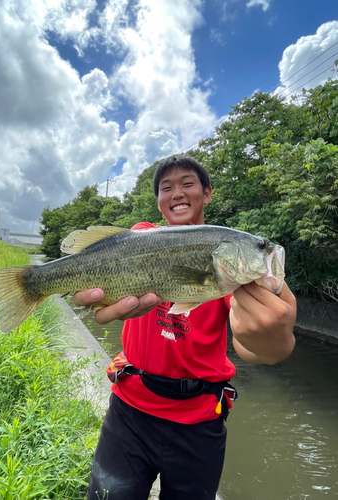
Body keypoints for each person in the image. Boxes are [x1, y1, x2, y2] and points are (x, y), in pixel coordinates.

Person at [73, 154, 297, 500]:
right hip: (129, 409)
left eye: (187, 184)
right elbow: (118, 253)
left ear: (207, 194)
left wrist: (274, 338)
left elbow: (251, 345)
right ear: (159, 202)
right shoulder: (142, 235)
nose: (176, 193)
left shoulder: (228, 277)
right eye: (166, 188)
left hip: (199, 420)